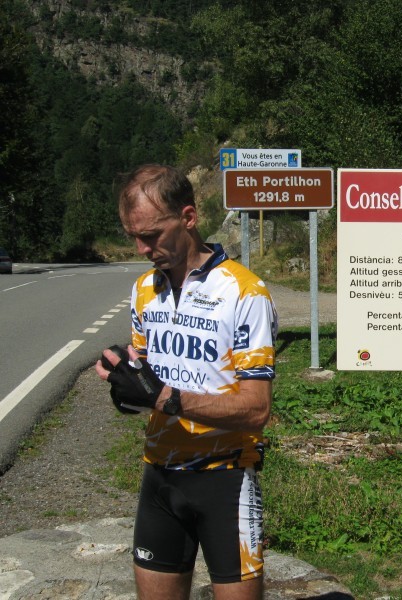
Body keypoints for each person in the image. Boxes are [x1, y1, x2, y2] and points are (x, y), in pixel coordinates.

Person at [95, 164, 278, 600]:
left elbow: (257, 409)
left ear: (189, 218)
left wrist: (167, 398)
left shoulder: (244, 292)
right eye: (132, 236)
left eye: (152, 235)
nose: (141, 247)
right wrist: (127, 384)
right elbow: (149, 384)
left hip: (225, 478)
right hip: (159, 476)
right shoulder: (144, 289)